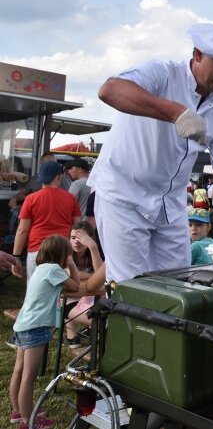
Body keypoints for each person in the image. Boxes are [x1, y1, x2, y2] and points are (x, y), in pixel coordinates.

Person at [87, 23, 213, 283]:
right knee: (129, 285)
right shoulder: (163, 73)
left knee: (176, 281)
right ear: (198, 55)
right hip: (124, 194)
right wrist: (175, 112)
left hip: (170, 204)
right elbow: (110, 90)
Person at [9, 235, 80, 429]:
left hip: (23, 324)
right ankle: (27, 421)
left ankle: (18, 411)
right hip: (36, 327)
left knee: (19, 370)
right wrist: (71, 264)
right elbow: (76, 286)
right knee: (29, 376)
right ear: (62, 254)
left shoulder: (41, 269)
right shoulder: (55, 269)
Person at [13, 161, 81, 282]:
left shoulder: (30, 199)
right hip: (62, 250)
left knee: (34, 289)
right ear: (59, 177)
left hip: (37, 250)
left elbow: (22, 230)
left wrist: (16, 256)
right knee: (60, 292)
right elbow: (77, 226)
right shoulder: (71, 198)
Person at [64, 222, 104, 348]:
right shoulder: (65, 253)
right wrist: (93, 276)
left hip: (88, 297)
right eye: (73, 238)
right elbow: (68, 272)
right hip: (67, 299)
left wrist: (93, 247)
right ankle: (72, 336)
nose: (76, 242)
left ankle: (87, 332)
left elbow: (102, 276)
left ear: (90, 239)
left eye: (81, 238)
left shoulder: (94, 253)